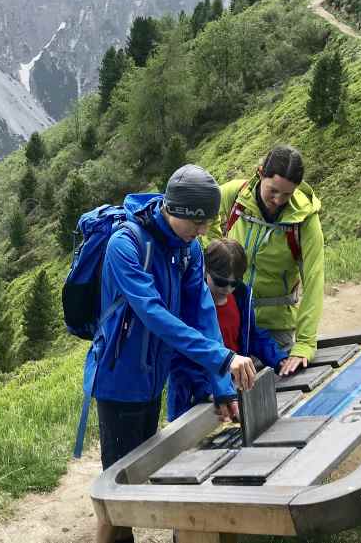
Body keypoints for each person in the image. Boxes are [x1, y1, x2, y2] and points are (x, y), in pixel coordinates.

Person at [86, 164, 257, 543]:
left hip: (152, 378)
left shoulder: (188, 250)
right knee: (116, 488)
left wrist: (222, 384)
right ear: (176, 211)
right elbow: (155, 315)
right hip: (118, 381)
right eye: (198, 224)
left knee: (138, 472)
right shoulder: (124, 246)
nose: (202, 233)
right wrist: (225, 359)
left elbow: (202, 315)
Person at [208, 145, 324, 372]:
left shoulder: (305, 220)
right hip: (229, 314)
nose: (279, 200)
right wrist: (214, 252)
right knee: (225, 395)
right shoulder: (235, 195)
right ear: (260, 173)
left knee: (274, 396)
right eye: (273, 191)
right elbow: (205, 217)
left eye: (287, 194)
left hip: (275, 328)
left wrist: (305, 344)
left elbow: (314, 280)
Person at [167, 238, 290, 421]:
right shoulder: (188, 306)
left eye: (234, 283)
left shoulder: (240, 297)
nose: (227, 289)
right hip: (195, 400)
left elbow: (254, 336)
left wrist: (279, 360)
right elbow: (180, 360)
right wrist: (207, 391)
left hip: (232, 392)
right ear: (205, 270)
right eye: (221, 282)